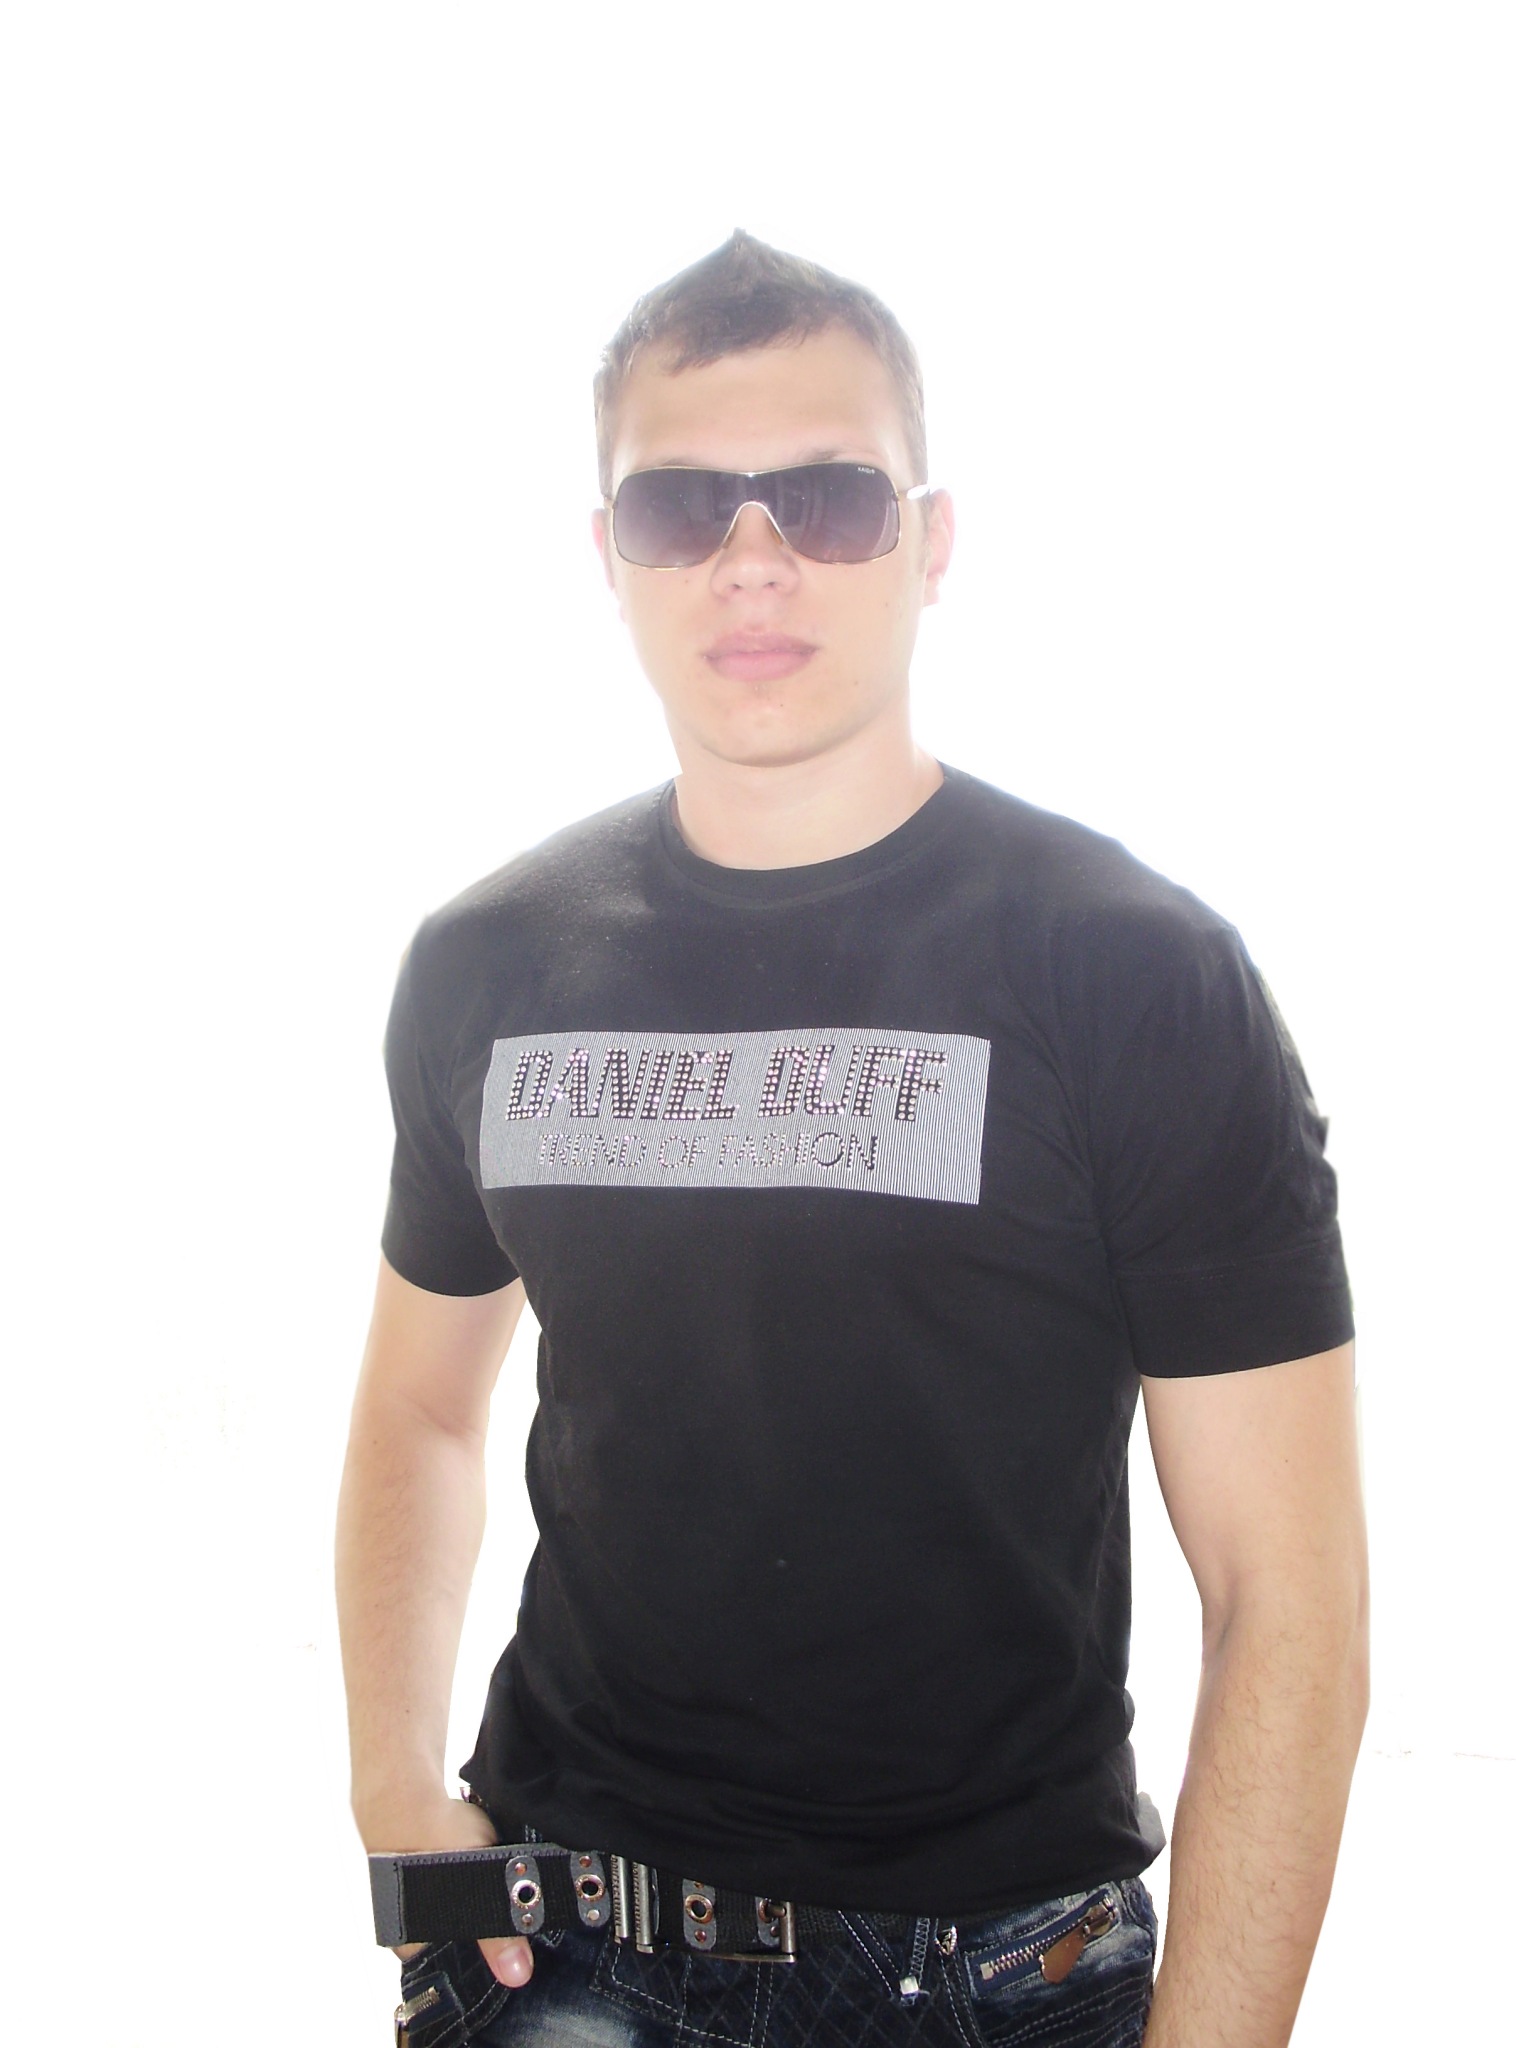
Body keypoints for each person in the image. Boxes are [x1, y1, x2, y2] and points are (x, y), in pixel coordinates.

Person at [336, 230, 1369, 2048]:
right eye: (683, 507)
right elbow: (421, 1405)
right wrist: (390, 1781)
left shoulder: (1135, 973)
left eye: (826, 498)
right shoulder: (488, 963)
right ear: (608, 556)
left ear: (932, 541)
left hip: (990, 1975)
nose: (754, 558)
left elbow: (1289, 1599)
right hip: (565, 1946)